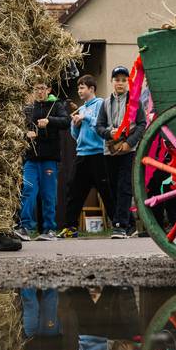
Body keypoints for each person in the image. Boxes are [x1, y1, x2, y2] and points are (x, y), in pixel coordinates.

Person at [95, 65, 146, 238]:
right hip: (110, 151)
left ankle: (120, 226)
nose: (120, 83)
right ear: (112, 81)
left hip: (128, 151)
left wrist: (129, 143)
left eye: (124, 80)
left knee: (124, 187)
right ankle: (131, 225)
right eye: (117, 80)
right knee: (112, 188)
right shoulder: (105, 103)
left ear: (128, 82)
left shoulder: (135, 102)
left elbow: (141, 125)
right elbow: (98, 126)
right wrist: (109, 133)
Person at [59, 76, 112, 238]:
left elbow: (102, 126)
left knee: (107, 192)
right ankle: (70, 228)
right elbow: (76, 136)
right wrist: (75, 125)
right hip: (82, 155)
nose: (79, 91)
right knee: (73, 191)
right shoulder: (81, 109)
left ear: (91, 89)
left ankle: (122, 225)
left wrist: (86, 118)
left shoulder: (101, 104)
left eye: (82, 88)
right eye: (79, 88)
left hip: (99, 154)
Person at [19, 80, 70, 240]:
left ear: (48, 89)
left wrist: (49, 121)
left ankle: (49, 229)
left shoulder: (57, 106)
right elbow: (19, 128)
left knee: (48, 195)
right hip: (31, 159)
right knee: (28, 191)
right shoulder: (28, 108)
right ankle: (25, 227)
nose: (40, 92)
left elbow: (66, 122)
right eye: (36, 88)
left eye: (42, 88)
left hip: (49, 158)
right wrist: (25, 134)